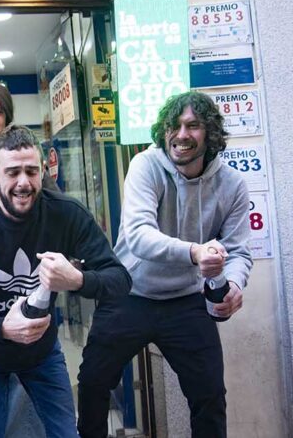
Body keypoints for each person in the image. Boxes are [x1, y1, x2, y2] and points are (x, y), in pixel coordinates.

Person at [0, 125, 132, 438]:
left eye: (31, 171)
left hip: (42, 353)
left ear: (43, 170)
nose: (23, 183)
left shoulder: (66, 215)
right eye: (13, 172)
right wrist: (0, 328)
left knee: (66, 434)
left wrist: (78, 279)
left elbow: (119, 280)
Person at [76, 91, 253, 438]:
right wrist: (196, 253)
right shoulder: (146, 165)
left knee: (210, 397)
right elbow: (139, 235)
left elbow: (238, 251)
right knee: (93, 383)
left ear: (210, 133)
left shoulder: (232, 185)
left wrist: (233, 285)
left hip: (185, 300)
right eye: (174, 125)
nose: (181, 134)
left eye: (192, 125)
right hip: (128, 292)